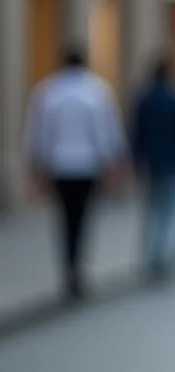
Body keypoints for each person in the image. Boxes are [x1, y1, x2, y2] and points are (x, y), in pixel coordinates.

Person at [24, 47, 128, 301]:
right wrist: (113, 161)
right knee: (81, 217)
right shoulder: (96, 90)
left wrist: (38, 165)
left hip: (60, 164)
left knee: (65, 218)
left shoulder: (48, 91)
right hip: (86, 165)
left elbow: (39, 132)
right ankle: (77, 268)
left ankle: (69, 267)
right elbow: (106, 130)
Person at [132, 54, 175, 283]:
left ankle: (153, 255)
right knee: (172, 210)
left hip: (153, 161)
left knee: (154, 210)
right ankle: (166, 255)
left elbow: (137, 132)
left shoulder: (145, 98)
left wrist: (137, 159)